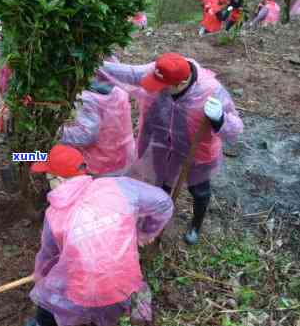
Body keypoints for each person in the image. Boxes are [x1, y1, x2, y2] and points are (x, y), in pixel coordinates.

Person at [97, 52, 243, 245]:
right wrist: (94, 64)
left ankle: (195, 225)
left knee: (199, 191)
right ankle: (157, 219)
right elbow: (130, 73)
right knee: (161, 186)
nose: (154, 88)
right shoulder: (159, 71)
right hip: (161, 147)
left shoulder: (211, 91)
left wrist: (220, 119)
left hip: (196, 153)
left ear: (180, 84)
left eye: (161, 87)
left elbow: (235, 130)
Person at [26, 144, 174, 326]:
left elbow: (48, 257)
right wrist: (144, 233)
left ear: (59, 180)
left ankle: (43, 322)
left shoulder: (54, 215)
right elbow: (164, 202)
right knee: (119, 300)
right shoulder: (118, 186)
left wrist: (40, 275)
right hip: (123, 283)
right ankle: (132, 309)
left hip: (82, 288)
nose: (48, 182)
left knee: (48, 300)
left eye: (49, 177)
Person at [59, 82, 135, 177]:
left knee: (99, 189)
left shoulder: (87, 99)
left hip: (101, 164)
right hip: (124, 156)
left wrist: (57, 132)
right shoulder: (118, 90)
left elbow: (85, 136)